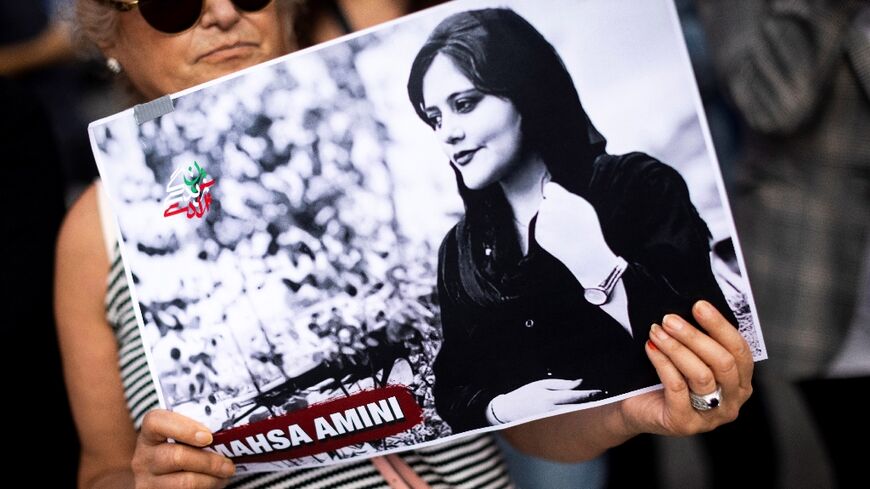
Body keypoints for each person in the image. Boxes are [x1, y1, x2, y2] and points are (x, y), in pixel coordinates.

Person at [55, 1, 754, 488]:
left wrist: (634, 407)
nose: (223, 12)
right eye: (174, 3)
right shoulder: (96, 232)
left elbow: (524, 419)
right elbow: (102, 470)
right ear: (108, 34)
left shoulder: (363, 171)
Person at [406, 8, 742, 433]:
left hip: (697, 416)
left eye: (465, 104)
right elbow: (453, 386)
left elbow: (709, 333)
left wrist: (601, 268)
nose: (446, 133)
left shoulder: (640, 186)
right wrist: (503, 409)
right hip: (567, 452)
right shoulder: (459, 251)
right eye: (435, 117)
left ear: (526, 91)